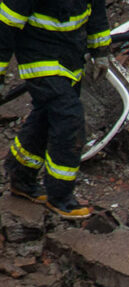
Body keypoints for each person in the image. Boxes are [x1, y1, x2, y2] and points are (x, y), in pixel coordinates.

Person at [1, 0, 111, 219]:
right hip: (39, 56)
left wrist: (100, 50)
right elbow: (5, 25)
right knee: (69, 117)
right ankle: (60, 196)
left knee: (46, 115)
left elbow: (97, 9)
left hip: (70, 54)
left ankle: (22, 177)